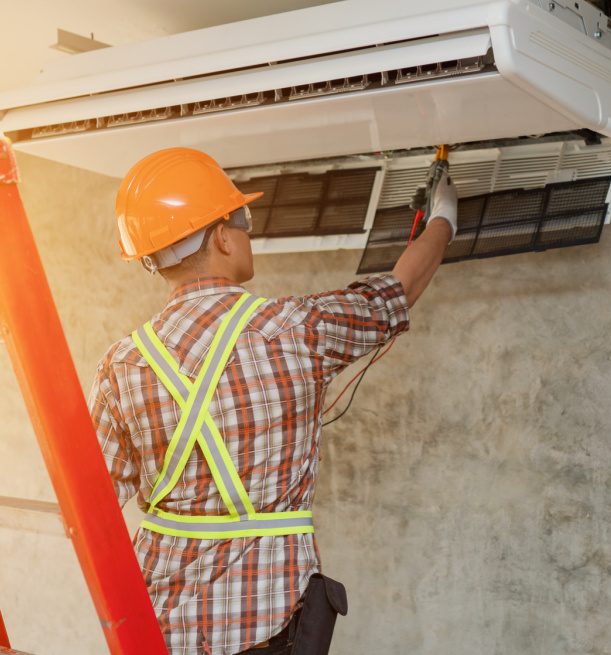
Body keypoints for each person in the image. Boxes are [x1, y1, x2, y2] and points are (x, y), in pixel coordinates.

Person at [88, 147, 456, 655]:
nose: (247, 233)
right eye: (243, 221)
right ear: (222, 236)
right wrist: (443, 218)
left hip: (159, 627)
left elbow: (95, 507)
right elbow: (398, 291)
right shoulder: (295, 328)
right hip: (266, 624)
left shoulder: (122, 363)